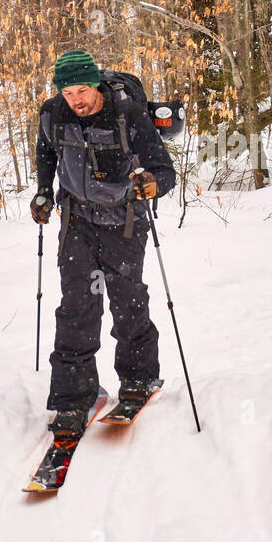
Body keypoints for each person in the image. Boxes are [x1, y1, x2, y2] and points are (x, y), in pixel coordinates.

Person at [31, 49, 176, 435]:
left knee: (127, 299)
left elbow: (164, 170)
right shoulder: (53, 114)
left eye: (81, 90)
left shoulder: (127, 113)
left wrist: (152, 184)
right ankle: (75, 397)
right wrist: (44, 191)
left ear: (94, 84)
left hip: (123, 220)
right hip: (76, 221)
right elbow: (46, 150)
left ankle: (139, 379)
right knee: (76, 307)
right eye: (68, 92)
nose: (76, 100)